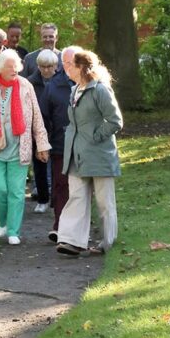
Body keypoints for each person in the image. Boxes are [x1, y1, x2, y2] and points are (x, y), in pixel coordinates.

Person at [0, 49, 49, 245]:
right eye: (10, 67)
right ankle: (3, 222)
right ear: (0, 69)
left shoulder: (25, 86)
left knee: (16, 192)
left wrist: (41, 144)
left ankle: (13, 230)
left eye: (16, 67)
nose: (14, 70)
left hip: (18, 148)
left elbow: (36, 118)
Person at [56, 49, 123, 256]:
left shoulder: (100, 90)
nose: (66, 68)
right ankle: (71, 241)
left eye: (71, 65)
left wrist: (95, 136)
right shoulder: (74, 89)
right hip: (76, 154)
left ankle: (107, 242)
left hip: (100, 154)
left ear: (82, 67)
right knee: (76, 197)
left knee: (104, 201)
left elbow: (115, 121)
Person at [42, 47, 77, 241]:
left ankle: (76, 228)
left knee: (80, 188)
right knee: (60, 185)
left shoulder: (90, 82)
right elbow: (43, 117)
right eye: (68, 62)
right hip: (60, 144)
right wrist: (43, 144)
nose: (71, 65)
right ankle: (59, 226)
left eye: (74, 61)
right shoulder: (53, 86)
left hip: (84, 146)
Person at [28, 49, 59, 215]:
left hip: (57, 127)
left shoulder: (62, 80)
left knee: (57, 164)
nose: (46, 70)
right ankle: (42, 198)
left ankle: (56, 198)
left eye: (49, 66)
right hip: (37, 128)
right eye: (42, 66)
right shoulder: (30, 82)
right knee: (39, 165)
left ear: (55, 65)